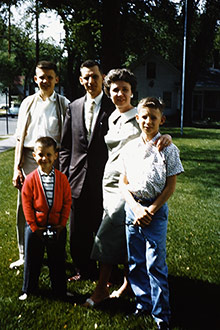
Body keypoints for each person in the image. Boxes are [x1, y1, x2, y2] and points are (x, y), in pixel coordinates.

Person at [84, 69, 172, 307]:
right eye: (115, 89)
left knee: (108, 231)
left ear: (133, 91)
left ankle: (101, 288)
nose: (120, 94)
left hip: (129, 186)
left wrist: (168, 138)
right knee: (124, 234)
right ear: (108, 92)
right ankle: (127, 284)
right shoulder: (112, 116)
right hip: (109, 181)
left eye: (125, 89)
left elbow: (154, 134)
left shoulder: (138, 116)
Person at [119, 97, 184, 329]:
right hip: (133, 209)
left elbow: (170, 187)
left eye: (153, 118)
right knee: (136, 261)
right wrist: (136, 208)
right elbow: (123, 182)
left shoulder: (168, 149)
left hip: (154, 212)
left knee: (155, 263)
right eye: (144, 117)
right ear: (137, 118)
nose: (148, 121)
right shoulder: (129, 149)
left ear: (162, 120)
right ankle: (142, 303)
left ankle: (161, 315)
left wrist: (151, 210)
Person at [10, 61, 70, 269]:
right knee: (24, 206)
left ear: (56, 79)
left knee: (54, 204)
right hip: (29, 158)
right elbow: (20, 138)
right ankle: (24, 254)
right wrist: (17, 167)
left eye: (49, 77)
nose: (45, 81)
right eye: (41, 77)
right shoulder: (27, 103)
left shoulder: (64, 104)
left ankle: (54, 251)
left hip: (54, 158)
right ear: (35, 79)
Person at [59, 60, 115, 280]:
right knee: (78, 230)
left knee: (103, 227)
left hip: (104, 179)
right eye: (87, 77)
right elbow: (65, 146)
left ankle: (106, 272)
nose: (91, 81)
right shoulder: (73, 107)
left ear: (102, 78)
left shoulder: (113, 108)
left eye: (95, 76)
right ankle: (82, 269)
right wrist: (64, 175)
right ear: (81, 80)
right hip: (77, 179)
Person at [19, 137, 72, 301]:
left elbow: (67, 201)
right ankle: (29, 289)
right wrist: (34, 227)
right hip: (35, 228)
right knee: (32, 260)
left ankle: (60, 290)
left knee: (57, 261)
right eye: (41, 154)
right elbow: (26, 204)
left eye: (49, 155)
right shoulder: (30, 179)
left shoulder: (62, 179)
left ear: (56, 155)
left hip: (57, 227)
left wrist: (62, 224)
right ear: (34, 156)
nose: (45, 158)